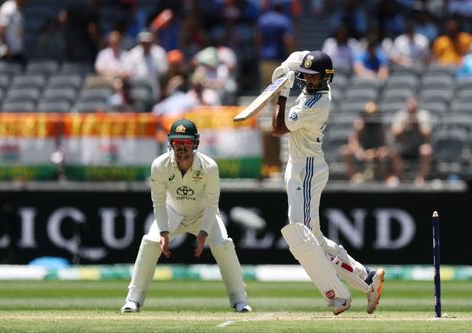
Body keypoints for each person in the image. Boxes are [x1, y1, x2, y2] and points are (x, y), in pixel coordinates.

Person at [270, 50, 384, 315]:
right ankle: (366, 278)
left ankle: (341, 295)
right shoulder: (311, 88)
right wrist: (285, 72)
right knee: (311, 239)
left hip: (308, 168)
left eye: (314, 77)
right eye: (306, 77)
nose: (309, 82)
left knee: (303, 235)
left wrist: (283, 92)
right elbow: (293, 61)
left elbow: (277, 129)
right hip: (298, 165)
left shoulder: (315, 104)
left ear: (326, 78)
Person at [120, 119, 251, 313]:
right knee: (149, 242)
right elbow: (158, 201)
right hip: (172, 213)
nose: (182, 147)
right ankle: (133, 300)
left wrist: (203, 233)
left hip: (202, 214)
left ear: (195, 143)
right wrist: (163, 232)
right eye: (177, 142)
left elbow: (212, 203)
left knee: (223, 244)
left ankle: (240, 301)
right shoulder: (159, 165)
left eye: (187, 142)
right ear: (170, 143)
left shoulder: (209, 167)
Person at [342, 101, 398, 184]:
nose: (370, 116)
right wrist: (359, 151)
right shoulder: (360, 124)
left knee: (384, 154)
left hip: (376, 151)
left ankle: (381, 178)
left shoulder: (380, 126)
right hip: (362, 151)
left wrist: (375, 151)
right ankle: (353, 177)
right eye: (368, 114)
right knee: (345, 151)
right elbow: (353, 140)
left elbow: (384, 143)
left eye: (373, 113)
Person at [391, 96, 433, 185]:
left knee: (427, 150)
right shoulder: (400, 115)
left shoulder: (423, 115)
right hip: (404, 147)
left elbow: (428, 135)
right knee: (393, 151)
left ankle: (421, 177)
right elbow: (395, 135)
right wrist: (404, 126)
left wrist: (417, 124)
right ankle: (400, 177)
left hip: (418, 147)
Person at [0, 0, 28, 64]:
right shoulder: (8, 8)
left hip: (17, 52)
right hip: (7, 54)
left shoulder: (19, 8)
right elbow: (0, 30)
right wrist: (6, 48)